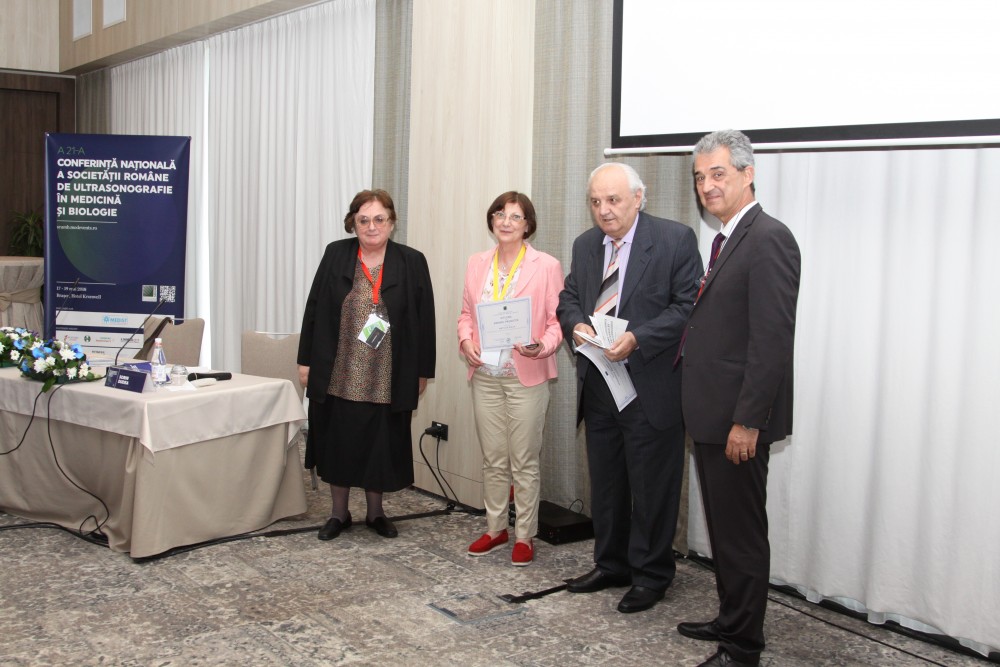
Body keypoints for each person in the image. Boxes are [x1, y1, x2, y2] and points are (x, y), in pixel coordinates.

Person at [678, 130, 800, 667]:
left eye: (718, 174)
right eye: (700, 177)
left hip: (737, 421)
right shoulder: (727, 238)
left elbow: (771, 342)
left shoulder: (769, 238)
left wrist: (748, 420)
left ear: (748, 174)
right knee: (725, 532)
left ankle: (743, 647)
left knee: (742, 537)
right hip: (712, 415)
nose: (707, 185)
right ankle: (732, 619)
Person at [557, 163, 702, 613]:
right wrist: (576, 324)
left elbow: (688, 307)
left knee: (652, 488)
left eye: (613, 200)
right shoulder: (585, 245)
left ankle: (652, 574)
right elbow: (569, 298)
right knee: (607, 485)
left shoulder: (675, 239)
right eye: (596, 201)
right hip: (601, 386)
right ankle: (612, 564)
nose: (604, 210)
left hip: (650, 387)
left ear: (639, 197)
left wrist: (639, 337)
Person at [298, 189, 436, 541]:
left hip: (388, 374)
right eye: (364, 220)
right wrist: (305, 361)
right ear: (353, 223)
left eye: (379, 219)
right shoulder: (335, 254)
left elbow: (425, 321)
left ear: (391, 222)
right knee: (338, 442)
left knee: (380, 444)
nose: (372, 226)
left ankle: (376, 513)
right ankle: (338, 513)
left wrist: (423, 370)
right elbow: (314, 308)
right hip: (339, 370)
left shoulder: (411, 261)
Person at [457, 191, 564, 567]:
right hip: (485, 375)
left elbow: (557, 321)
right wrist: (465, 340)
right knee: (493, 459)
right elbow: (466, 314)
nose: (506, 222)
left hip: (525, 377)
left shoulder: (546, 266)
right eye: (500, 214)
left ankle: (524, 535)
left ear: (528, 225)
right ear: (491, 220)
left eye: (515, 217)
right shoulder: (476, 263)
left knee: (524, 460)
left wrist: (542, 346)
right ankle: (495, 528)